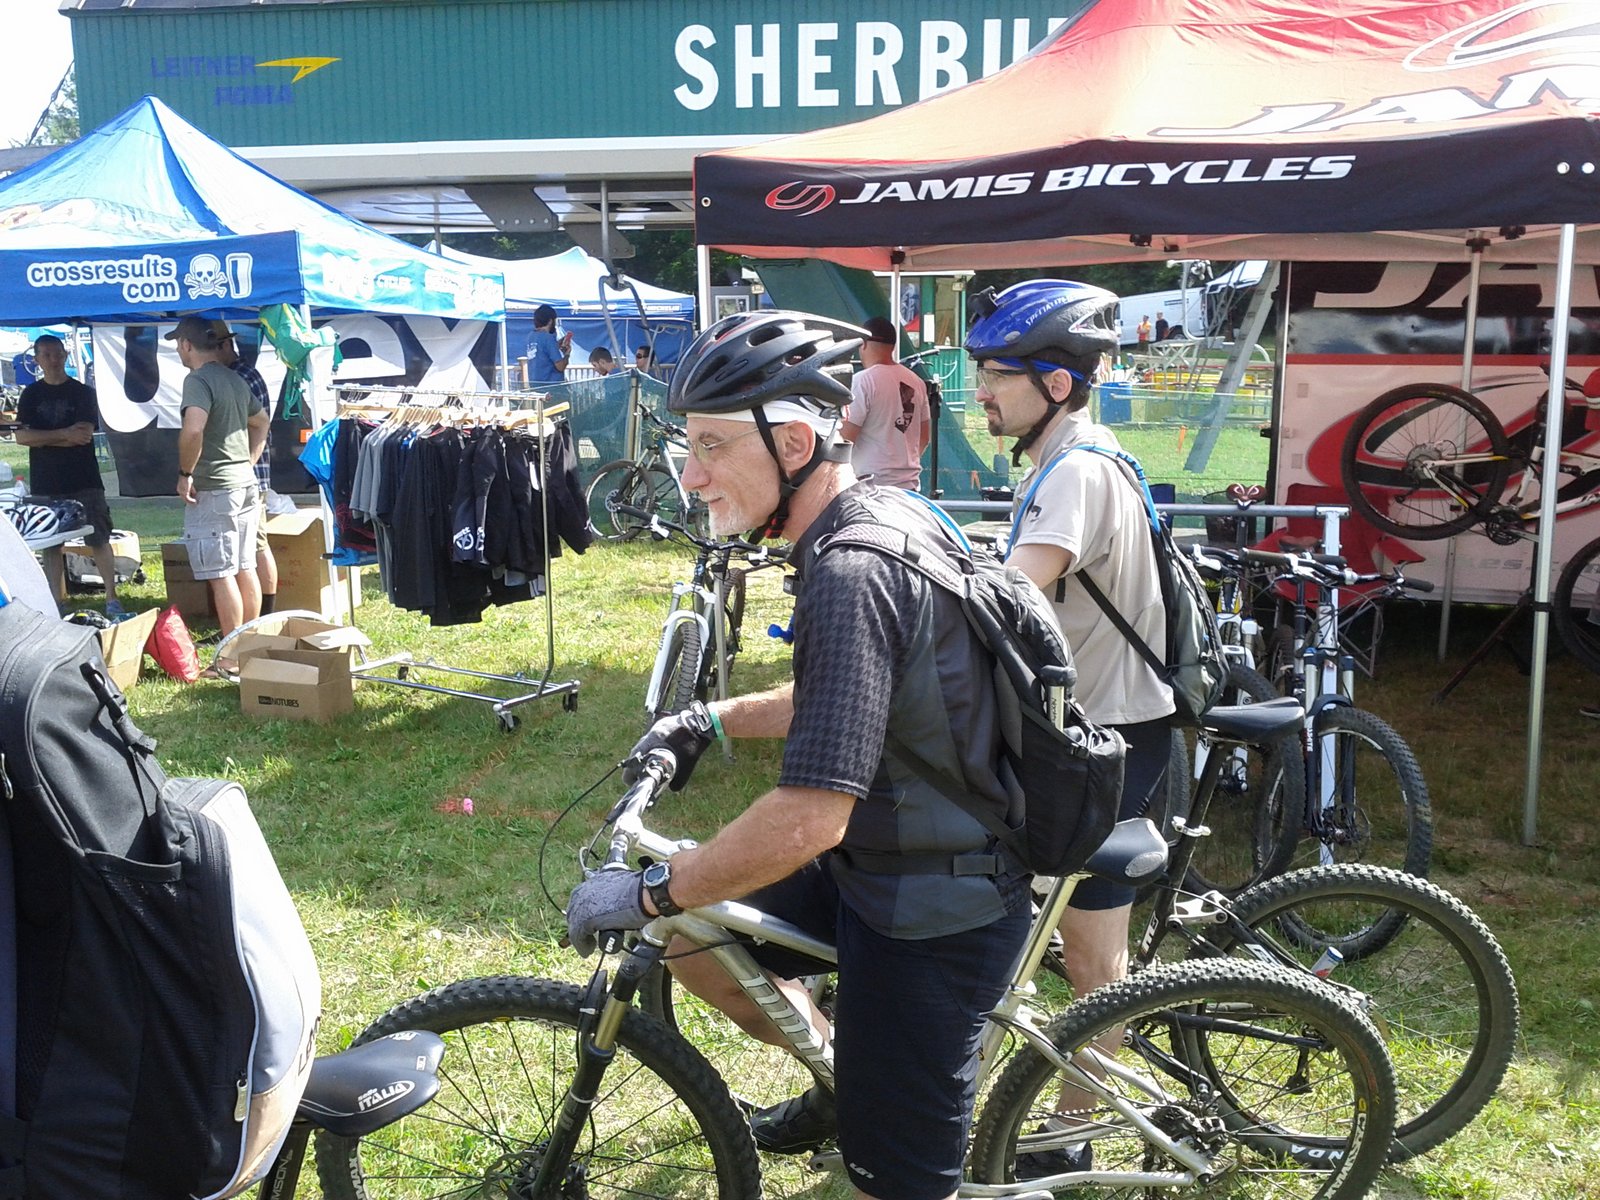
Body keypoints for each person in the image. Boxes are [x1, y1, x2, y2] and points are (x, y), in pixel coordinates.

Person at [565, 310, 1031, 1200]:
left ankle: (877, 1100)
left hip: (937, 906)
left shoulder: (852, 570)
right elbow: (853, 700)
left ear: (792, 443)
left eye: (710, 445)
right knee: (693, 936)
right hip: (887, 862)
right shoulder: (874, 515)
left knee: (897, 1186)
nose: (690, 475)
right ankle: (843, 1068)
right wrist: (709, 720)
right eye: (686, 447)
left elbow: (809, 818)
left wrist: (650, 889)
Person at [965, 279, 1174, 1176]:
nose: (980, 391)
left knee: (1093, 956)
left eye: (997, 375)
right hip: (1097, 725)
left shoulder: (1078, 472)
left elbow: (1009, 597)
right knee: (1051, 921)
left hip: (1110, 737)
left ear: (1056, 383)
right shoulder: (1074, 457)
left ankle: (1070, 1135)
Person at [166, 315, 269, 662]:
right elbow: (262, 421)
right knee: (244, 567)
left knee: (221, 574)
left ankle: (229, 658)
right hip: (245, 484)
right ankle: (249, 650)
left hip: (215, 489)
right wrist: (248, 460)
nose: (178, 350)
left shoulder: (197, 380)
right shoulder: (233, 377)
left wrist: (185, 473)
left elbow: (194, 429)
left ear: (186, 344)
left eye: (177, 344)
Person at [13, 334, 123, 615]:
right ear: (37, 360)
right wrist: (64, 434)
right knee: (50, 544)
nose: (54, 360)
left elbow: (83, 435)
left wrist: (44, 438)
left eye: (58, 354)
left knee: (99, 536)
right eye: (47, 355)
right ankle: (55, 601)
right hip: (46, 481)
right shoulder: (30, 395)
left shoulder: (83, 392)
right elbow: (22, 437)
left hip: (85, 478)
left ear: (65, 355)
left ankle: (112, 597)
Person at [216, 323, 279, 617]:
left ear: (225, 346)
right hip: (249, 472)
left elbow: (243, 427)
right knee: (252, 546)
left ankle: (265, 615)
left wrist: (246, 465)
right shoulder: (243, 373)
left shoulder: (239, 377)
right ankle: (262, 614)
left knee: (254, 546)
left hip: (247, 475)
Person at [841, 315, 930, 490]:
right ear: (893, 346)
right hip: (909, 487)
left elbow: (845, 439)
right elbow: (924, 437)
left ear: (863, 344)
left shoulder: (862, 382)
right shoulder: (917, 382)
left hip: (870, 489)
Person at [526, 304, 571, 384]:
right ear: (550, 321)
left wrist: (557, 345)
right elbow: (560, 366)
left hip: (534, 383)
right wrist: (567, 355)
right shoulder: (548, 338)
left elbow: (542, 352)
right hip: (551, 386)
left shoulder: (531, 336)